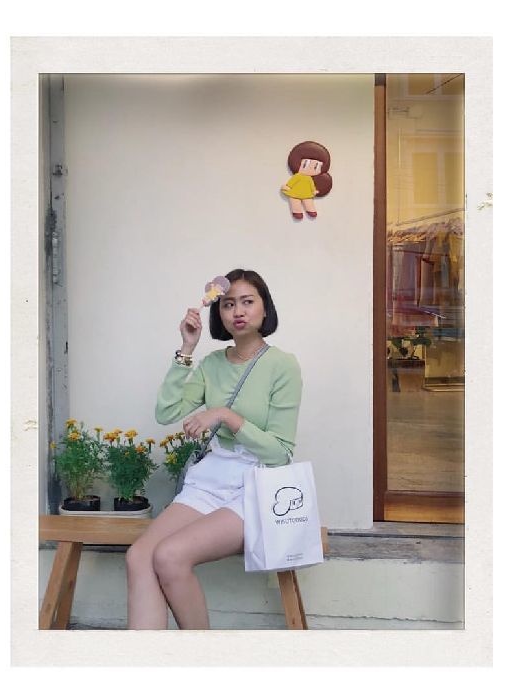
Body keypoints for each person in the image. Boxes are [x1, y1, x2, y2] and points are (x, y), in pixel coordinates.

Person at [125, 269, 302, 630]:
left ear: (265, 308)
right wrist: (187, 349)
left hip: (255, 485)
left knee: (170, 556)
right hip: (211, 480)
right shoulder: (211, 365)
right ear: (218, 313)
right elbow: (166, 412)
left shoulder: (283, 365)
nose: (238, 311)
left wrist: (224, 415)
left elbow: (279, 453)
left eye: (247, 302)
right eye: (228, 304)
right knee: (139, 556)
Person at [280, 141, 333, 220]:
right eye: (305, 164)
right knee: (295, 201)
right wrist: (288, 187)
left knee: (308, 201)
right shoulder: (298, 176)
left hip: (307, 193)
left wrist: (314, 191)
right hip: (295, 192)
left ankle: (311, 210)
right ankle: (297, 212)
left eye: (316, 166)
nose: (310, 168)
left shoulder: (309, 178)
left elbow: (312, 185)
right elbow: (292, 182)